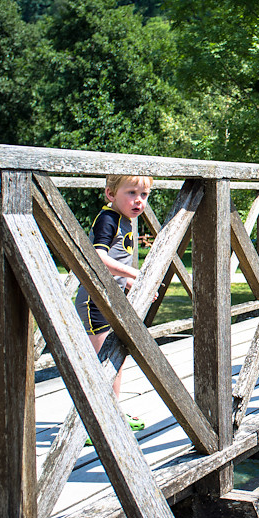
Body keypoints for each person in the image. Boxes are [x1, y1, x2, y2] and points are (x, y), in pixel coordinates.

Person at [74, 175, 153, 442]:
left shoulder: (125, 221)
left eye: (144, 195)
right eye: (131, 193)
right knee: (101, 363)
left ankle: (112, 412)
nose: (138, 201)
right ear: (110, 194)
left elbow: (117, 263)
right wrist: (136, 273)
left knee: (115, 361)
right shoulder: (107, 219)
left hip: (112, 297)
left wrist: (131, 282)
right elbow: (99, 258)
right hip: (94, 302)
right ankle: (91, 424)